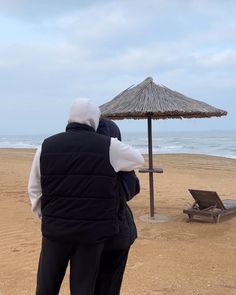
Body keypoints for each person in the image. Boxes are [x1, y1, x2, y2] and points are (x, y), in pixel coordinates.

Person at [28, 98, 144, 295]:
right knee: (83, 288)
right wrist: (112, 146)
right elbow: (138, 159)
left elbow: (34, 188)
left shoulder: (46, 145)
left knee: (46, 286)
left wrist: (46, 216)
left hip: (55, 232)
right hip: (90, 235)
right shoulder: (108, 146)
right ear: (95, 120)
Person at [95, 118, 140, 295]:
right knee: (110, 284)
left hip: (84, 234)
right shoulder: (121, 162)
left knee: (88, 281)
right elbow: (132, 189)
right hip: (117, 234)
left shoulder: (82, 160)